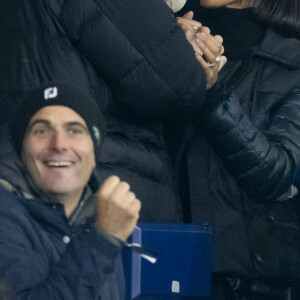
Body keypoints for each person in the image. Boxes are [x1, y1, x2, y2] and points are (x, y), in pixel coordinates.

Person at [0, 0, 225, 223]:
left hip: (37, 172)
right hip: (93, 188)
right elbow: (179, 80)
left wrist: (173, 32)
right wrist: (193, 56)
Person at [174, 0, 300, 299]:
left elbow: (277, 175)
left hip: (255, 282)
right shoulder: (174, 38)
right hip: (169, 263)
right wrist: (158, 40)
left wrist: (212, 94)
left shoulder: (292, 60)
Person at [0, 81, 141, 299]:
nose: (58, 144)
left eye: (74, 130)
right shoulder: (4, 215)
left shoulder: (103, 216)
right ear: (22, 150)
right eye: (41, 130)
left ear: (94, 153)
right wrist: (102, 240)